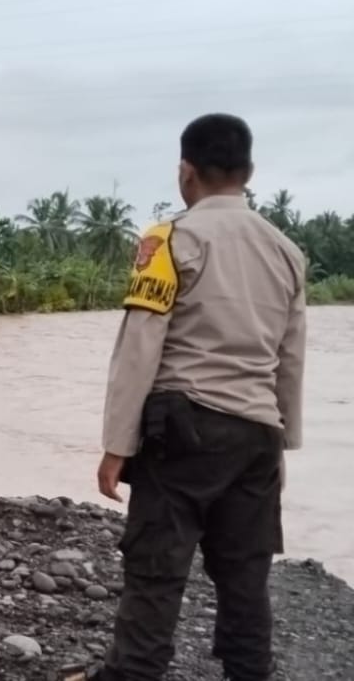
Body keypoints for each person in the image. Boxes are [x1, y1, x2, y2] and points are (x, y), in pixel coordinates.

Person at [89, 114, 306, 681]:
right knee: (244, 581)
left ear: (186, 172)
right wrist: (283, 443)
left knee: (156, 577)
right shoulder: (287, 252)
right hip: (258, 435)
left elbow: (140, 345)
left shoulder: (167, 241)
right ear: (249, 173)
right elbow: (291, 359)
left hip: (181, 431)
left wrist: (116, 445)